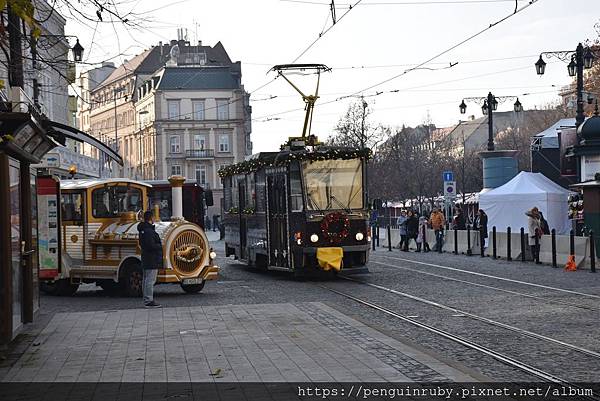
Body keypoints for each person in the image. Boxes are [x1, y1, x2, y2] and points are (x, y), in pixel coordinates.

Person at [138, 211, 163, 307]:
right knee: (150, 280)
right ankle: (149, 300)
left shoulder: (143, 230)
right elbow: (151, 245)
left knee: (146, 279)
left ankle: (146, 298)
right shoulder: (149, 231)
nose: (154, 219)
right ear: (151, 218)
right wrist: (160, 246)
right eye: (154, 217)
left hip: (146, 257)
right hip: (151, 258)